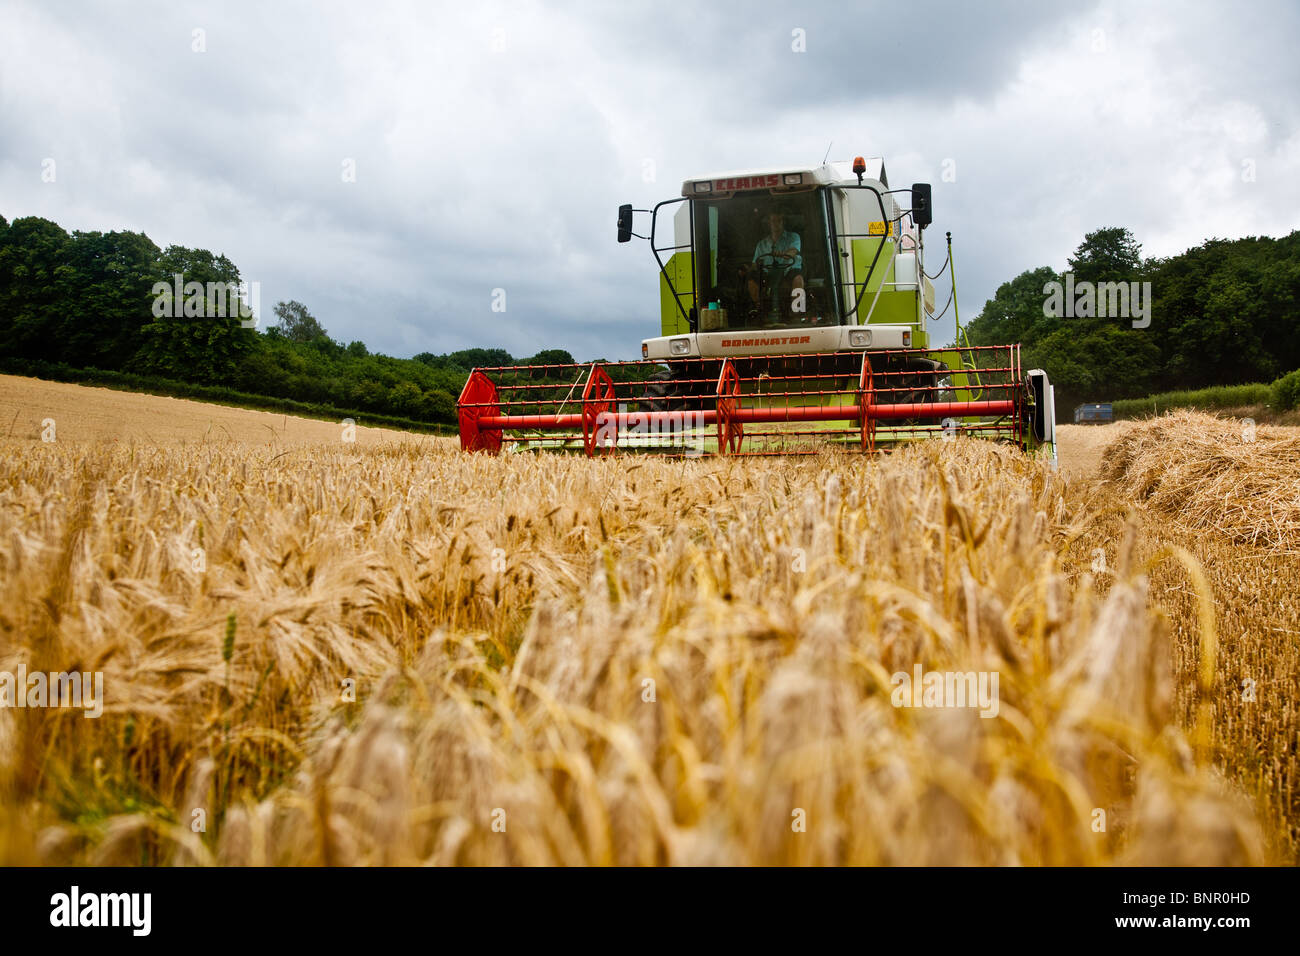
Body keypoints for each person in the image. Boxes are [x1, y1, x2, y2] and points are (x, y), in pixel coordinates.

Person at [747, 211, 804, 314]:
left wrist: (782, 254)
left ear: (783, 222)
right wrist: (748, 269)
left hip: (788, 272)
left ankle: (797, 312)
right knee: (751, 279)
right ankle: (759, 310)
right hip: (768, 276)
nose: (776, 223)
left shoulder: (794, 237)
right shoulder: (761, 244)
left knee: (798, 279)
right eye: (773, 221)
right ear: (769, 223)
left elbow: (792, 252)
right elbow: (755, 264)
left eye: (779, 220)